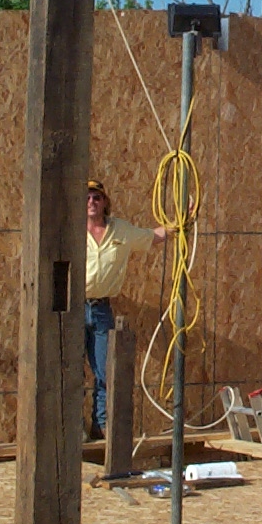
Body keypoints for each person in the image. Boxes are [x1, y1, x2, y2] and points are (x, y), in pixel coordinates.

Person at [84, 178, 166, 440]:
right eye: (86, 197)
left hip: (100, 308)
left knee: (105, 371)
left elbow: (152, 237)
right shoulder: (70, 229)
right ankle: (73, 428)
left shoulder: (120, 230)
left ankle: (102, 425)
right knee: (69, 370)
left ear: (105, 201)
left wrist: (182, 221)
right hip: (72, 308)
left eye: (96, 197)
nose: (91, 202)